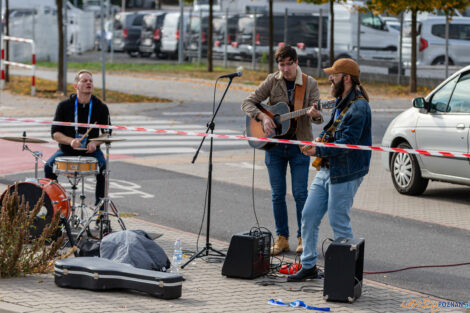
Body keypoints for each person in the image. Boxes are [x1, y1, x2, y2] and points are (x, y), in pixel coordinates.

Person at [287, 58, 372, 281]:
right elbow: (333, 133)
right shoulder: (341, 102)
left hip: (345, 172)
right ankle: (308, 266)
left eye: (333, 75)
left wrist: (317, 150)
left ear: (347, 78)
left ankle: (346, 275)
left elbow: (345, 144)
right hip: (327, 168)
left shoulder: (359, 107)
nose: (329, 78)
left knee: (338, 222)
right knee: (309, 215)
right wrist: (318, 141)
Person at [241, 45, 322, 255]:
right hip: (274, 147)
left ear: (296, 62)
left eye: (289, 64)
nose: (285, 69)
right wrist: (263, 117)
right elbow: (248, 102)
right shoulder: (272, 80)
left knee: (300, 194)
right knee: (277, 194)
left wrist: (314, 114)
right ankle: (282, 238)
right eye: (281, 64)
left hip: (299, 147)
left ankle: (303, 237)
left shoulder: (309, 83)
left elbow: (319, 117)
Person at [45, 70, 110, 218]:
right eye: (84, 81)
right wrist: (71, 141)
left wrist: (95, 142)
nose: (89, 83)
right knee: (48, 167)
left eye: (90, 81)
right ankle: (53, 207)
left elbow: (107, 133)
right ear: (76, 85)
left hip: (91, 151)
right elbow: (55, 133)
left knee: (104, 169)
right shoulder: (64, 106)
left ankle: (100, 211)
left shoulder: (101, 107)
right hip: (67, 150)